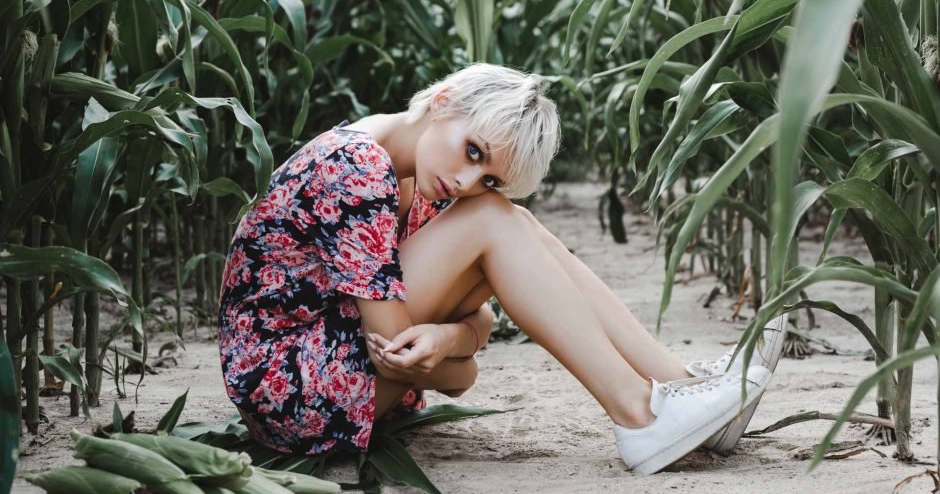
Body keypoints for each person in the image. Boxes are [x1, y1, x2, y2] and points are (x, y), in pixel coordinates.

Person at [216, 63, 782, 475]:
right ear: (442, 101)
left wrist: (451, 339)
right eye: (473, 151)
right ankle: (639, 412)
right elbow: (395, 346)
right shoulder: (358, 164)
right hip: (289, 388)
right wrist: (456, 359)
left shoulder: (425, 176)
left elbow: (475, 328)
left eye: (487, 174)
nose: (467, 180)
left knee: (514, 220)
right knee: (495, 218)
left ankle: (678, 384)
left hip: (335, 370)